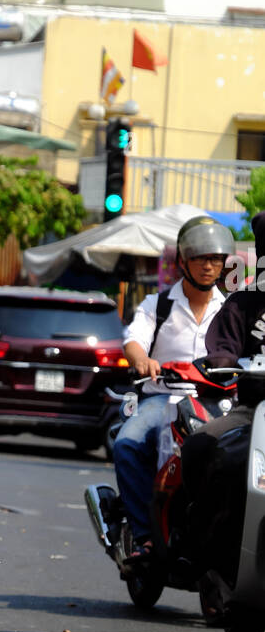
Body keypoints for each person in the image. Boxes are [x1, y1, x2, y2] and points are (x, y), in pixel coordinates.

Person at [113, 215, 234, 563]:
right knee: (127, 444)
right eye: (200, 257)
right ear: (183, 260)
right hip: (162, 397)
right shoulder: (158, 305)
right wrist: (141, 360)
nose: (208, 265)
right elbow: (134, 340)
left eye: (215, 258)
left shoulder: (229, 311)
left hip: (214, 402)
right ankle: (145, 537)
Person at [181, 211, 265, 584]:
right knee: (203, 446)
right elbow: (223, 347)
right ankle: (199, 549)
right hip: (253, 412)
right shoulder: (245, 301)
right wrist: (223, 361)